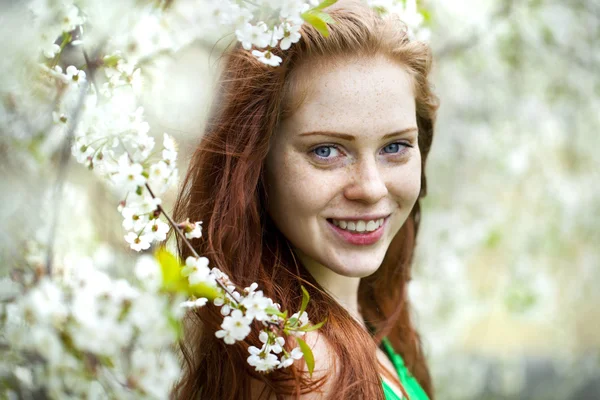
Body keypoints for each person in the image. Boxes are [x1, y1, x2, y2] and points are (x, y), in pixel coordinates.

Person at [172, 1, 438, 399]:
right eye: (326, 151)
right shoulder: (303, 368)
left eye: (395, 146)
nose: (371, 187)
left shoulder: (363, 325)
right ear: (255, 164)